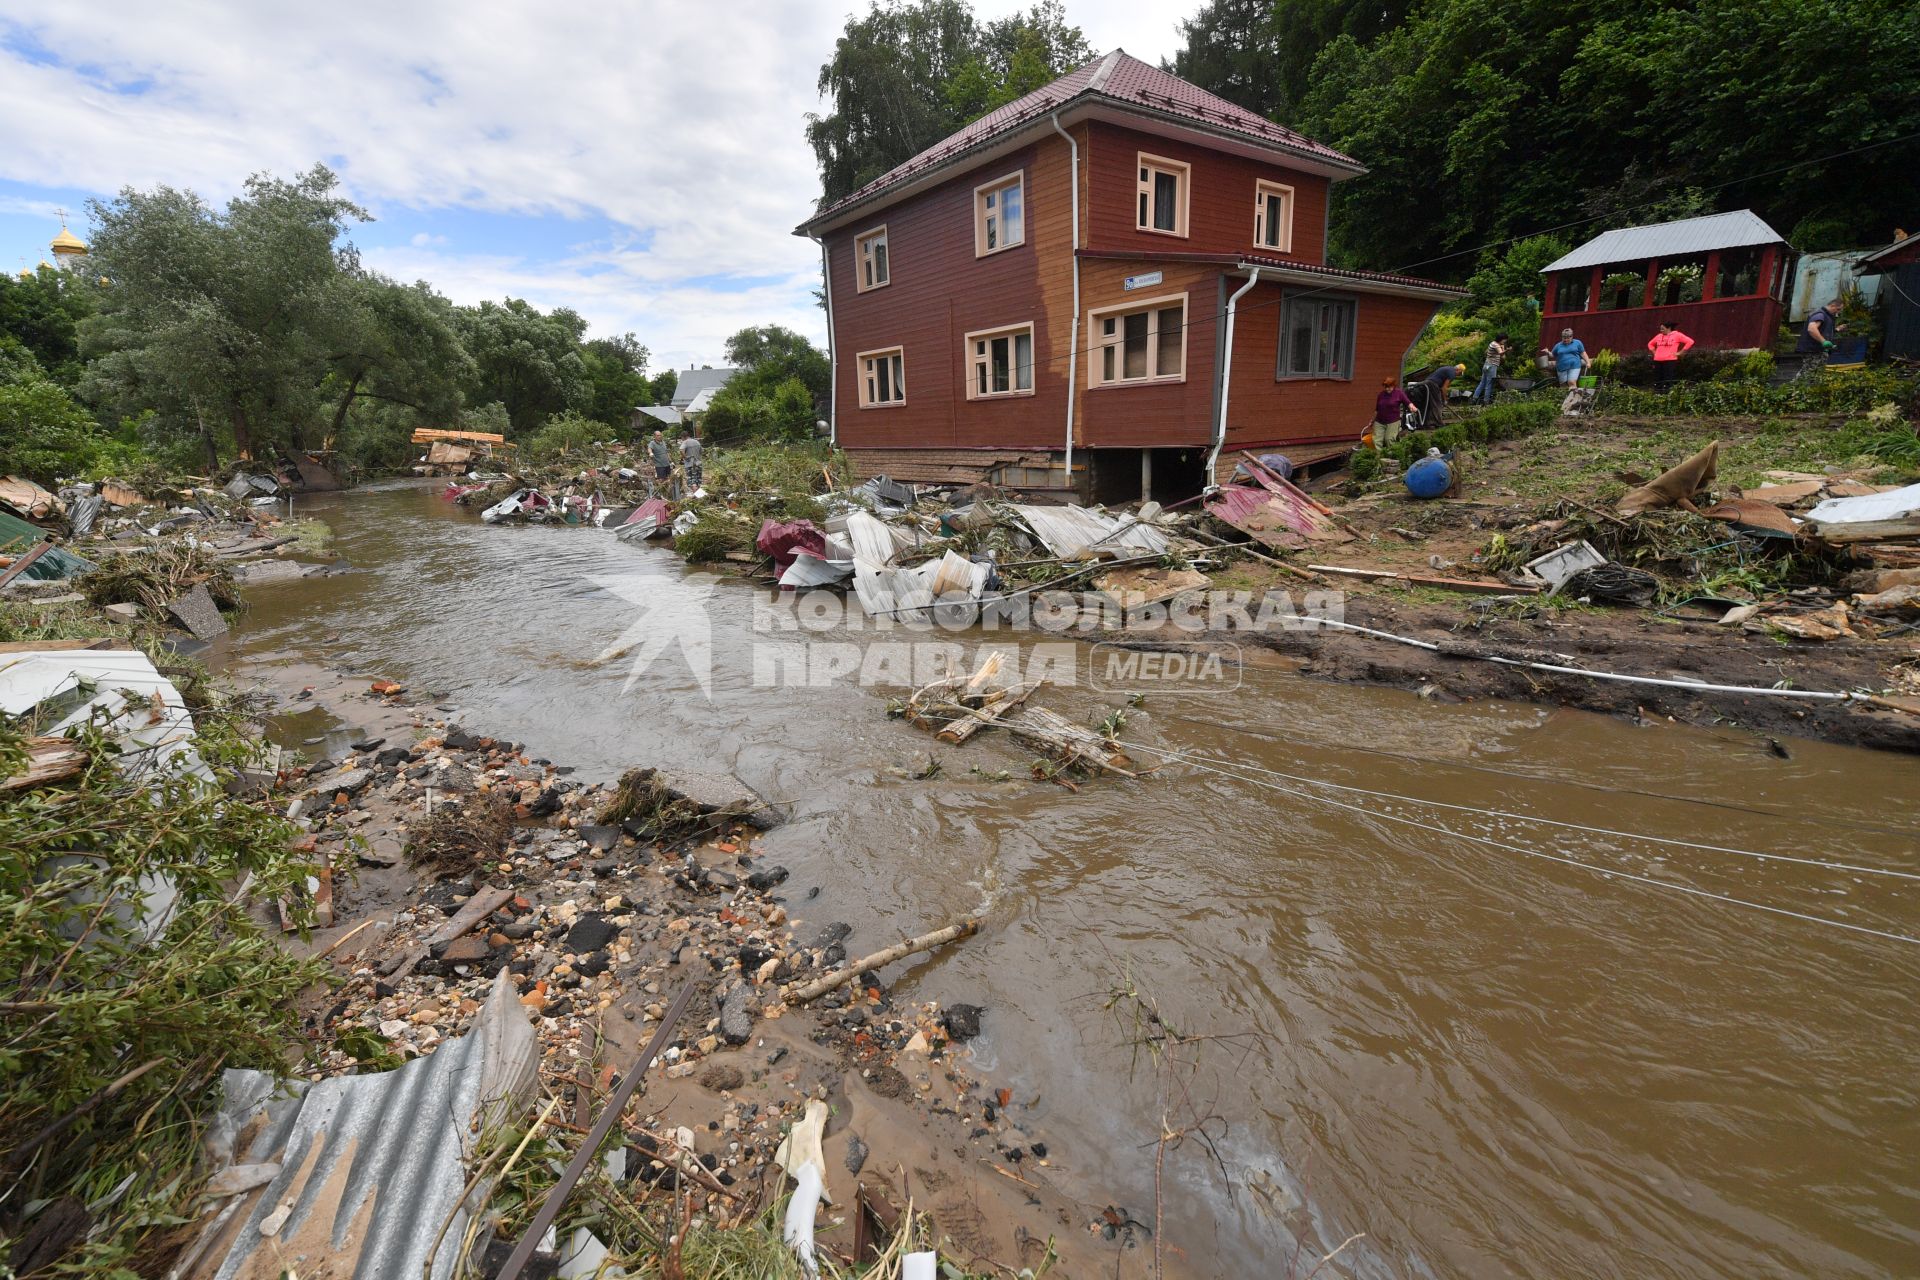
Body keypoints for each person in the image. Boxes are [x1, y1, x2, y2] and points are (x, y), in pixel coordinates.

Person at [1646, 321, 1695, 390]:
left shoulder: (1677, 335)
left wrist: (1680, 352)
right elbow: (1650, 344)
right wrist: (1655, 353)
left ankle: (1667, 393)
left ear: (1669, 328)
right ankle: (1658, 393)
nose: (1661, 330)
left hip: (1670, 360)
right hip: (1657, 360)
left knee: (1668, 378)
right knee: (1657, 379)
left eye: (1662, 329)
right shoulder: (1659, 336)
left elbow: (1690, 341)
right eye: (1660, 329)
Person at [1797, 297, 1846, 361]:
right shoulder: (1821, 314)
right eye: (1838, 309)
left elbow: (1823, 331)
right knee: (1810, 370)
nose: (1838, 312)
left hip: (1821, 350)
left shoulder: (1828, 316)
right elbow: (1811, 329)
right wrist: (1823, 341)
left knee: (1819, 370)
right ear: (1832, 306)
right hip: (1813, 350)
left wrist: (1837, 329)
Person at [1417, 362, 1465, 428]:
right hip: (1432, 384)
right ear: (1458, 370)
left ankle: (1427, 424)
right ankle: (1438, 423)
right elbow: (1444, 388)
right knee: (1437, 404)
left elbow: (1441, 386)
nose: (1458, 375)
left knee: (1429, 404)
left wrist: (1443, 397)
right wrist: (1445, 400)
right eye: (1459, 373)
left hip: (1426, 383)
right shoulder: (1452, 373)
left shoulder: (1448, 368)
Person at [1372, 377, 1415, 447]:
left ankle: (1392, 455)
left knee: (1389, 439)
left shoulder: (1399, 393)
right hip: (1379, 421)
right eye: (1385, 387)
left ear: (1393, 386)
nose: (1387, 389)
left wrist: (1412, 407)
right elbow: (1377, 410)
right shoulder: (1381, 395)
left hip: (1393, 421)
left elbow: (1408, 402)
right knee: (1376, 440)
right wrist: (1372, 421)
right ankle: (1379, 456)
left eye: (1389, 387)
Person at [1471, 333, 1509, 405]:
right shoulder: (1496, 345)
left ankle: (1474, 399)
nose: (1505, 342)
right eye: (1504, 341)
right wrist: (1506, 350)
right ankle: (1486, 401)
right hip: (1492, 366)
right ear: (1501, 339)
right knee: (1489, 384)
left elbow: (1486, 352)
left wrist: (1502, 347)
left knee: (1482, 383)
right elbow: (1501, 354)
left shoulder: (1492, 343)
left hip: (1486, 365)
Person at [648, 429, 672, 497]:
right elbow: (649, 448)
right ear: (654, 436)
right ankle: (661, 494)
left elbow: (666, 452)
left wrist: (671, 461)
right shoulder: (652, 443)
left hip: (667, 464)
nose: (659, 436)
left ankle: (667, 493)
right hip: (659, 464)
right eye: (658, 435)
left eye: (660, 435)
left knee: (668, 478)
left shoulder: (663, 442)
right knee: (661, 479)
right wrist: (651, 453)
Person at [679, 429, 704, 493]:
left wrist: (685, 457)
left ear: (683, 437)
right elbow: (701, 451)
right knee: (698, 480)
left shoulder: (685, 442)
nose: (681, 439)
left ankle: (695, 495)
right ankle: (698, 496)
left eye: (681, 438)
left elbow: (681, 450)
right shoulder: (697, 441)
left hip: (690, 465)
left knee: (692, 481)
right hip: (698, 464)